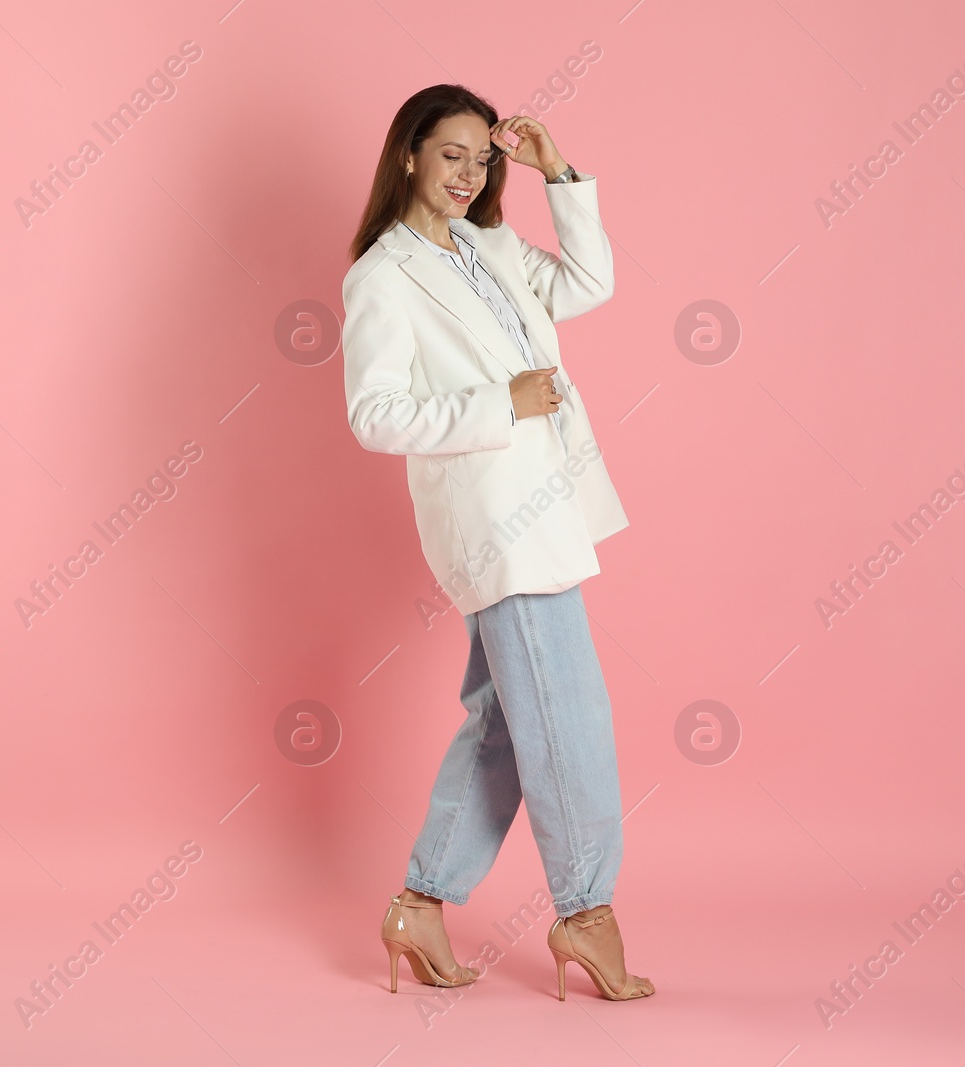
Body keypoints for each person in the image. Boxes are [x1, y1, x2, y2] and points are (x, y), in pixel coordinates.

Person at [343, 84, 654, 1002]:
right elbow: (374, 413)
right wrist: (500, 404)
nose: (469, 174)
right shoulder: (380, 276)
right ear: (408, 154)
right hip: (494, 522)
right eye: (451, 155)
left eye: (483, 158)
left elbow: (590, 283)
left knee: (502, 727)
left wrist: (556, 170)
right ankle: (587, 912)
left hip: (545, 503)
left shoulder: (489, 245)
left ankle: (422, 901)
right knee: (566, 715)